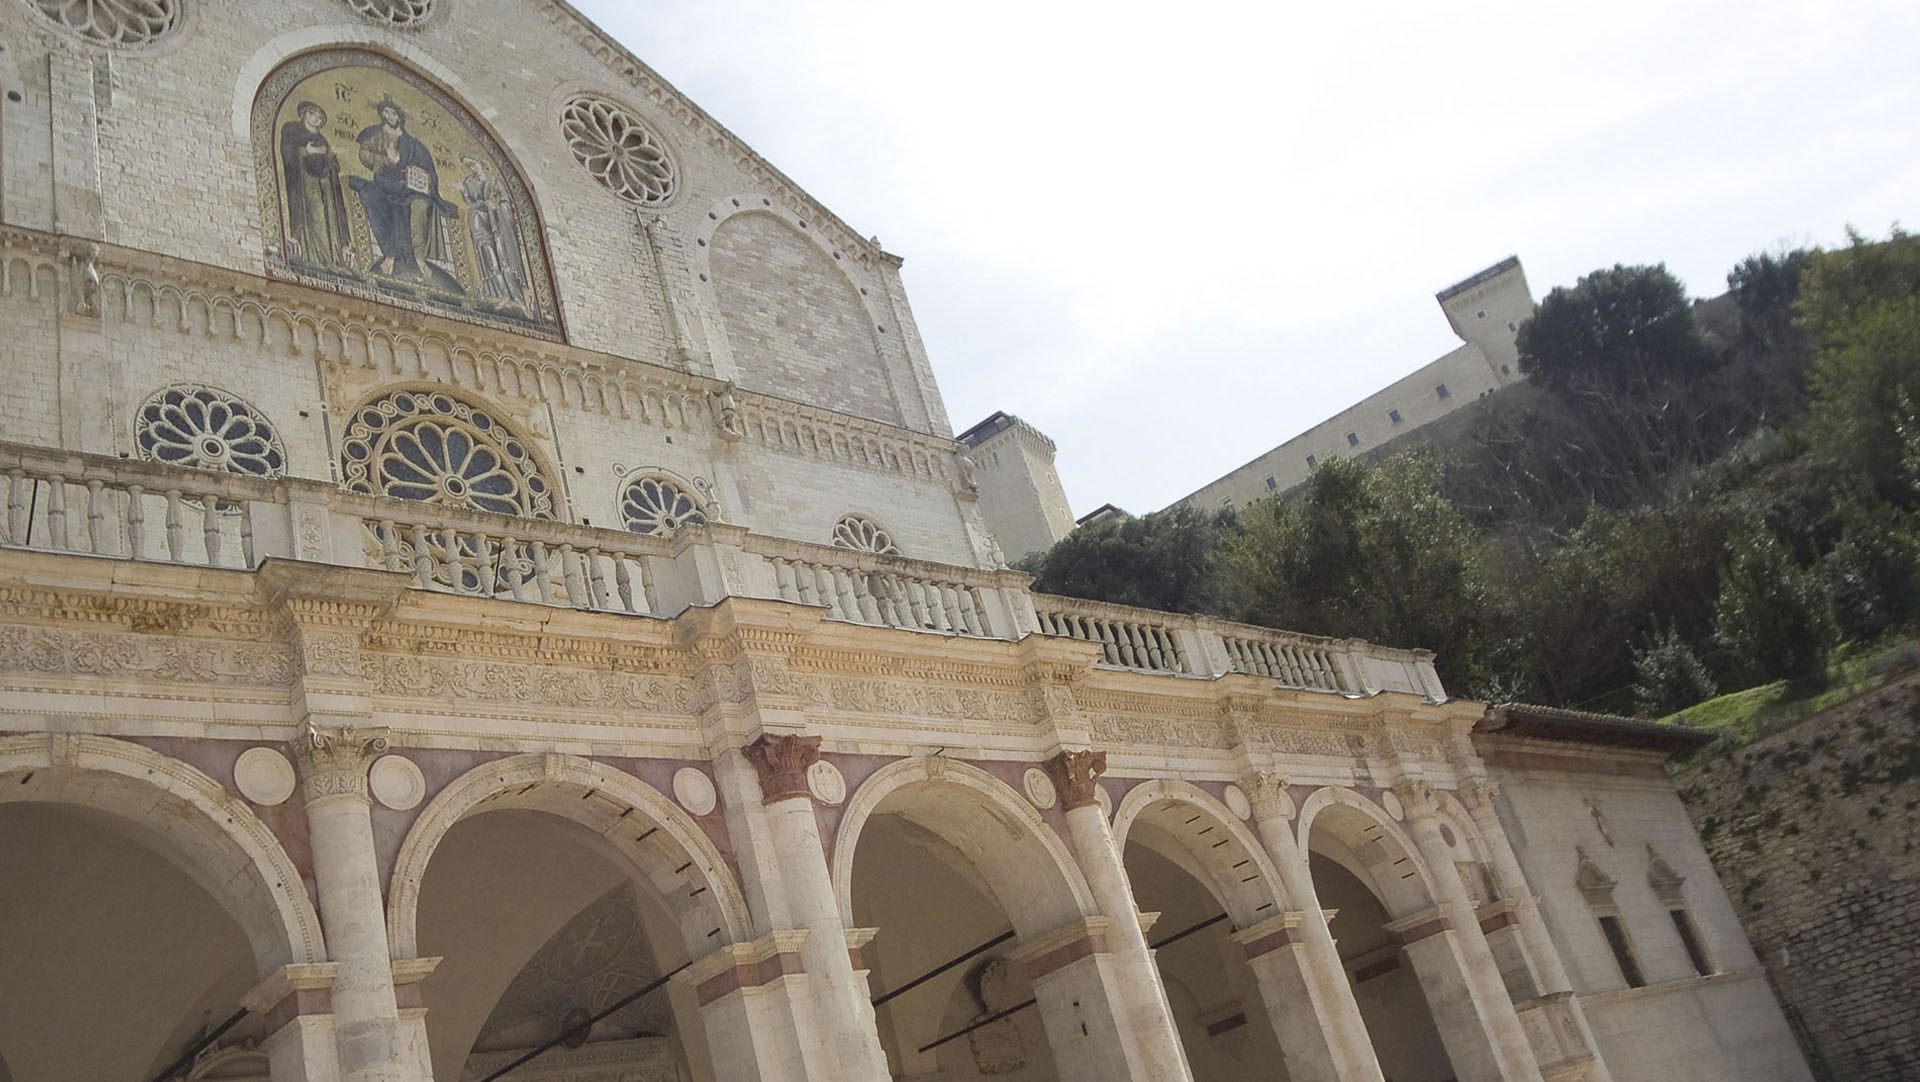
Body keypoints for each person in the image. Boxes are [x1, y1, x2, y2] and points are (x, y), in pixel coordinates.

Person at [349, 97, 461, 290]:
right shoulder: (375, 135)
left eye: (392, 113)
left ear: (399, 116)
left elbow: (429, 171)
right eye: (385, 113)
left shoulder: (414, 144)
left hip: (410, 188)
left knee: (421, 205)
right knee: (370, 196)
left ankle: (419, 257)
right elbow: (364, 155)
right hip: (385, 183)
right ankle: (389, 254)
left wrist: (417, 175)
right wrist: (386, 159)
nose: (389, 116)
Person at [278, 101, 351, 271]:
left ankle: (333, 260)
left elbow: (328, 163)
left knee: (329, 214)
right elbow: (286, 151)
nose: (316, 119)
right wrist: (305, 151)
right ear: (304, 114)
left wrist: (331, 155)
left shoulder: (321, 139)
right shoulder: (292, 129)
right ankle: (317, 258)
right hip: (304, 181)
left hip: (324, 181)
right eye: (312, 114)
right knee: (316, 210)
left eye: (319, 117)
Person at [458, 155, 527, 305]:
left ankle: (516, 298)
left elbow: (506, 202)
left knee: (504, 257)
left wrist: (497, 207)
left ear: (482, 164)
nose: (472, 168)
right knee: (489, 258)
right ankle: (501, 295)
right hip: (481, 224)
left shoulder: (495, 182)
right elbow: (470, 201)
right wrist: (464, 191)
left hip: (498, 225)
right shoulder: (470, 183)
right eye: (469, 166)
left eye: (473, 164)